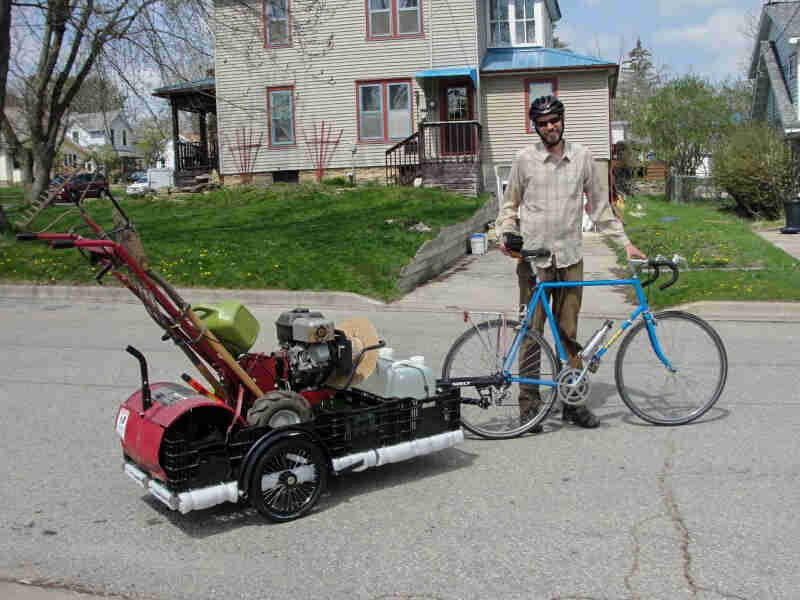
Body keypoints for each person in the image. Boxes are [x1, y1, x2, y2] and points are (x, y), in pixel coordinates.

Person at [496, 94, 645, 430]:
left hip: (570, 258)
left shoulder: (583, 158)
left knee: (569, 334)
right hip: (534, 261)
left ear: (562, 121)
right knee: (532, 333)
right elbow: (508, 207)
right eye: (543, 123)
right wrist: (505, 235)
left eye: (554, 121)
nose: (550, 127)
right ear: (535, 127)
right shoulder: (524, 160)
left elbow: (600, 209)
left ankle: (573, 402)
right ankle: (529, 408)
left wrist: (625, 242)